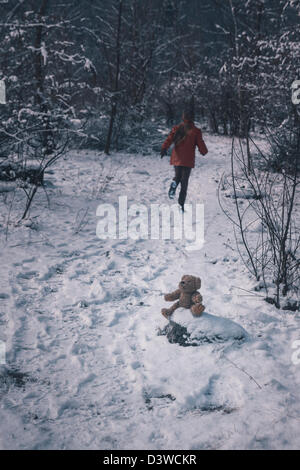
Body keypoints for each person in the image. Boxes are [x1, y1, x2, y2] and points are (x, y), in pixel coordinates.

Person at [161, 110, 208, 211]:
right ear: (192, 118)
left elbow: (169, 139)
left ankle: (174, 184)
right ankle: (180, 204)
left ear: (183, 118)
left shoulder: (177, 128)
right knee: (184, 182)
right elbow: (200, 143)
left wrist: (164, 148)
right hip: (188, 160)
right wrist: (204, 151)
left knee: (177, 176)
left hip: (177, 157)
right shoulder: (196, 131)